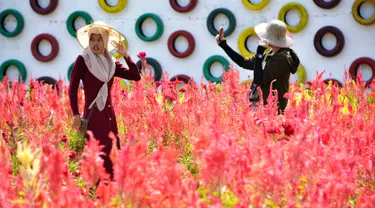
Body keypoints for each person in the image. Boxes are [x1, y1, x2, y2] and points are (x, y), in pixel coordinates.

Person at [69, 22, 141, 180]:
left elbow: (135, 76)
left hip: (108, 115)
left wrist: (126, 56)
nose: (95, 43)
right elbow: (73, 87)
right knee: (96, 151)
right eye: (92, 39)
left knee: (112, 150)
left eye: (100, 39)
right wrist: (75, 114)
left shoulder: (111, 63)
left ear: (106, 41)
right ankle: (95, 191)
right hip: (93, 116)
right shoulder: (83, 60)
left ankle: (111, 192)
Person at [216, 20, 300, 114]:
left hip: (271, 109)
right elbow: (244, 63)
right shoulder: (271, 54)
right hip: (260, 105)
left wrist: (260, 53)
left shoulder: (281, 58)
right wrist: (224, 45)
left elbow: (259, 79)